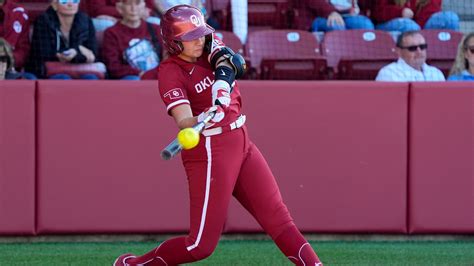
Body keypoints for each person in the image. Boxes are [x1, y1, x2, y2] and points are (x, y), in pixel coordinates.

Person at [113, 5, 323, 266]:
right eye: (190, 38)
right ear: (173, 42)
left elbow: (230, 61)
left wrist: (221, 87)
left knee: (278, 219)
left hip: (241, 140)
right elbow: (184, 121)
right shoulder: (170, 72)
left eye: (199, 34)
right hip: (210, 149)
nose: (199, 40)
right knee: (200, 246)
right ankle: (134, 264)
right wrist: (202, 117)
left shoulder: (207, 42)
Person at [26, 0, 99, 79]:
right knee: (63, 78)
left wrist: (75, 54)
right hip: (50, 70)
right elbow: (43, 53)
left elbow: (92, 54)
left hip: (79, 68)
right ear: (54, 4)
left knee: (90, 78)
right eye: (64, 1)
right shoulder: (43, 20)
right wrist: (77, 52)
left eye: (75, 1)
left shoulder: (85, 20)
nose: (70, 4)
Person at [102, 0, 162, 80]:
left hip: (156, 76)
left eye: (137, 3)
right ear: (120, 8)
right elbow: (113, 66)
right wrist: (140, 74)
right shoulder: (111, 33)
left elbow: (167, 57)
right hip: (131, 79)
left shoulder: (155, 29)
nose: (133, 9)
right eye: (128, 4)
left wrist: (153, 74)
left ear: (144, 6)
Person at [376, 30, 445, 81]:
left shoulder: (436, 73)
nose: (419, 52)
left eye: (422, 47)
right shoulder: (388, 73)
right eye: (412, 48)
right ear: (399, 51)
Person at [0, 0, 36, 79]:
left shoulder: (19, 12)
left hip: (10, 69)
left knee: (30, 79)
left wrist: (7, 61)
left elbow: (23, 49)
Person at [372, 0, 459, 32]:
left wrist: (418, 28)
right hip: (386, 23)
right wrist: (400, 12)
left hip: (418, 25)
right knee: (409, 26)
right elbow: (377, 13)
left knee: (451, 18)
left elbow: (432, 11)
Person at [82, 0, 159, 31]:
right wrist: (125, 14)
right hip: (108, 18)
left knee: (156, 22)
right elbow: (97, 9)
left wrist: (138, 12)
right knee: (106, 24)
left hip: (134, 15)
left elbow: (149, 7)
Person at [307, 0, 375, 32]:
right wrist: (331, 12)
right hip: (321, 15)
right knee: (336, 26)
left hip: (350, 15)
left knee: (365, 25)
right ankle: (342, 58)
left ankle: (362, 59)